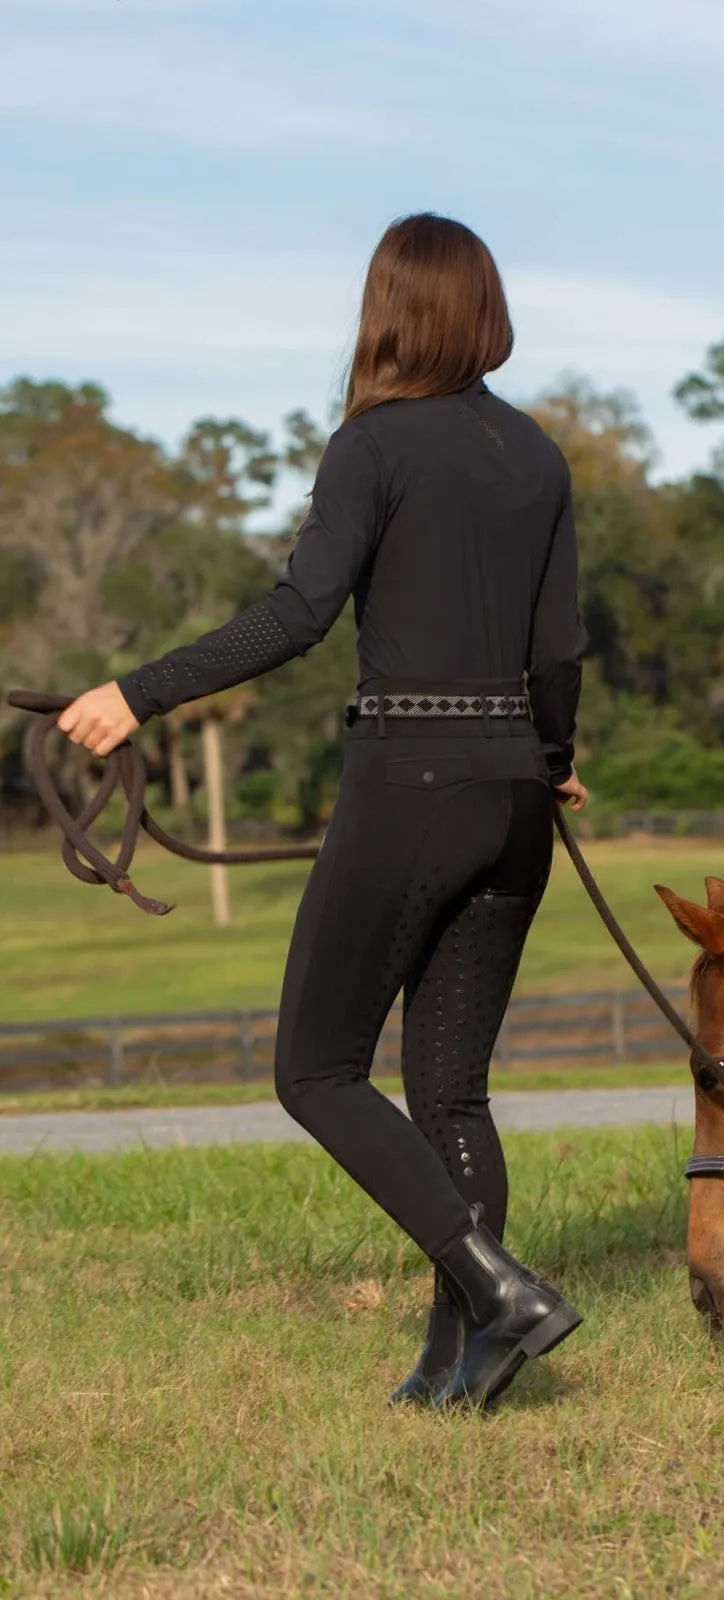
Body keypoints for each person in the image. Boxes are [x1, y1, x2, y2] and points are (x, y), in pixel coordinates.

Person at [58, 213, 586, 1410]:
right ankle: (456, 1363)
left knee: (316, 1069)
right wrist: (549, 762)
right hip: (512, 797)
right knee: (452, 1092)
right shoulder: (540, 455)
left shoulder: (374, 444)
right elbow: (557, 646)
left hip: (412, 780)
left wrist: (133, 693)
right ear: (486, 309)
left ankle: (496, 1295)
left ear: (390, 307)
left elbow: (300, 613)